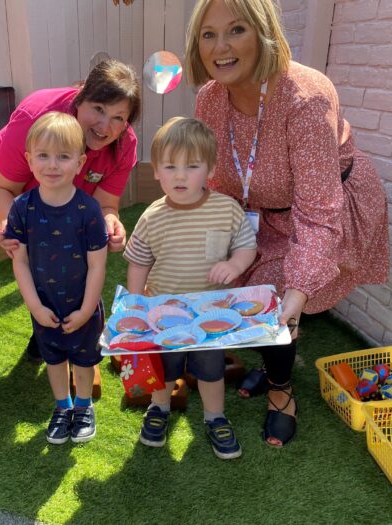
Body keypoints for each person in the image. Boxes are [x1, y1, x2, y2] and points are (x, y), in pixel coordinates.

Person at [185, 0, 389, 447]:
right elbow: (217, 179)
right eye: (208, 34)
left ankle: (281, 390)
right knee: (232, 282)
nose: (220, 47)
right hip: (258, 209)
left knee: (278, 298)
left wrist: (296, 291)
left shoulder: (306, 96)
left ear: (263, 32)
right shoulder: (209, 98)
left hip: (325, 208)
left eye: (236, 30)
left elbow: (319, 210)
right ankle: (268, 361)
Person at [0, 59, 140, 362]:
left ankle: (67, 329)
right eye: (98, 109)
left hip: (69, 199)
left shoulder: (124, 145)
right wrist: (11, 226)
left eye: (119, 118)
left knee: (71, 259)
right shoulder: (35, 117)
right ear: (80, 98)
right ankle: (43, 329)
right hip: (8, 187)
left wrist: (111, 223)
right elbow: (2, 189)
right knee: (32, 259)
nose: (105, 127)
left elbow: (106, 204)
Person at [124, 117, 256, 457]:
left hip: (212, 315)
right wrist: (137, 305)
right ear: (156, 171)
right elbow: (138, 262)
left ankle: (215, 417)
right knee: (165, 368)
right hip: (164, 315)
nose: (180, 176)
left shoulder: (225, 209)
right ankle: (159, 408)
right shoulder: (152, 216)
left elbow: (245, 245)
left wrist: (235, 264)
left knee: (211, 370)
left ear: (210, 168)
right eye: (170, 166)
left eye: (192, 166)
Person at [5, 112, 108, 444]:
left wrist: (86, 309)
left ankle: (83, 404)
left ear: (79, 163)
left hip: (83, 304)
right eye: (43, 156)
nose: (52, 165)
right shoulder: (22, 207)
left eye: (63, 157)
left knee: (83, 358)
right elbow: (19, 262)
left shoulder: (89, 210)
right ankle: (62, 407)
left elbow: (97, 266)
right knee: (53, 358)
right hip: (45, 304)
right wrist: (34, 307)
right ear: (29, 160)